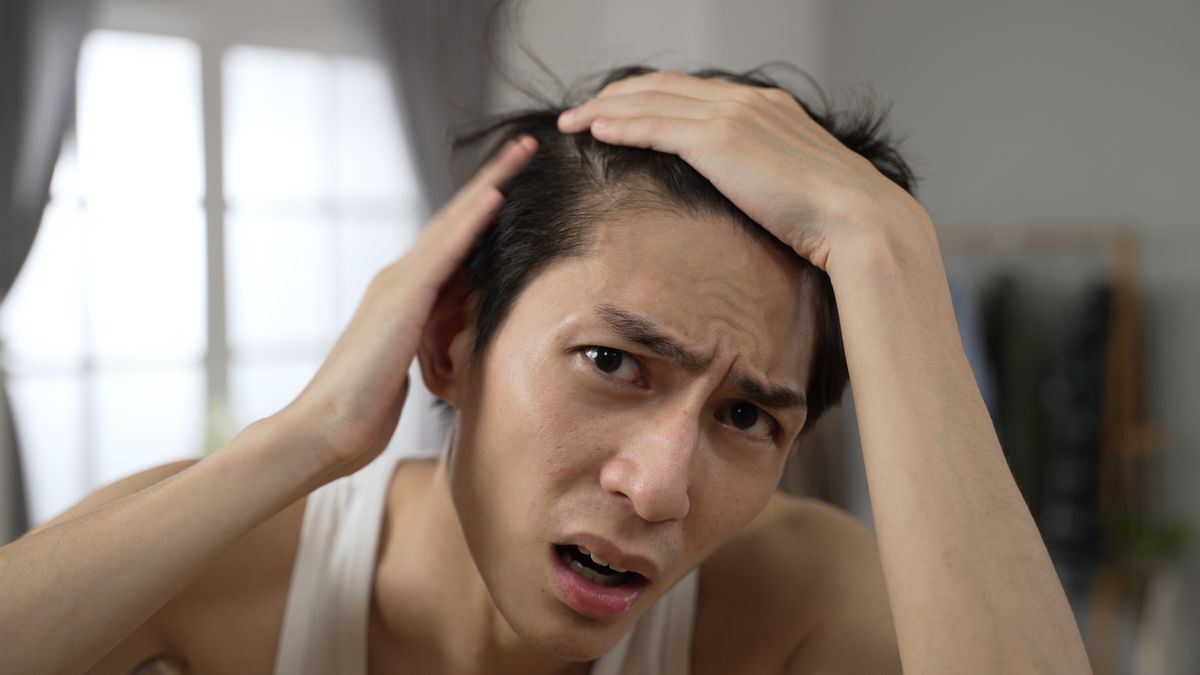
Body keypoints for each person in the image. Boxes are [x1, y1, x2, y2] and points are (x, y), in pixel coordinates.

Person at [0, 66, 1090, 674]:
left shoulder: (791, 604)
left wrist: (888, 248)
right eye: (612, 361)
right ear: (450, 339)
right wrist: (304, 436)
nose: (658, 488)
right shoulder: (248, 566)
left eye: (746, 417)